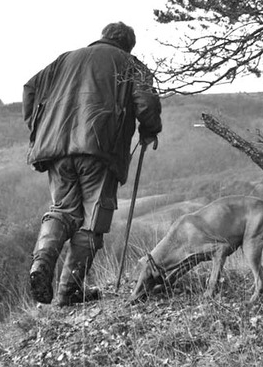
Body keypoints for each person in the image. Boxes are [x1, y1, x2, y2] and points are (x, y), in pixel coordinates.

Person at [23, 22, 162, 307]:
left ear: (103, 37)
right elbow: (146, 101)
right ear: (128, 45)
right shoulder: (130, 64)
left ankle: (41, 264)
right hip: (100, 149)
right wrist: (150, 130)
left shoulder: (64, 59)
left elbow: (30, 89)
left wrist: (39, 128)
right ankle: (68, 291)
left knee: (62, 211)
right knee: (92, 220)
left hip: (55, 150)